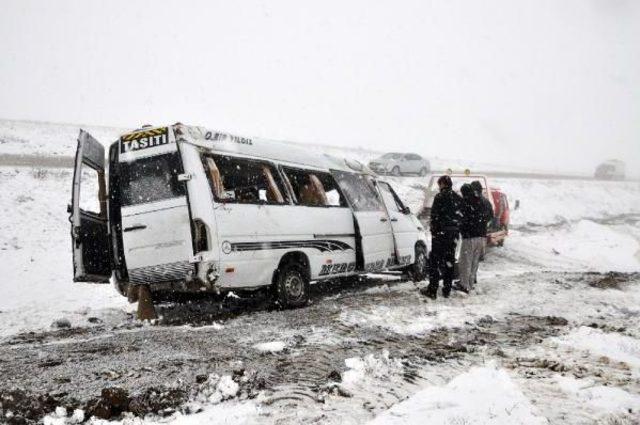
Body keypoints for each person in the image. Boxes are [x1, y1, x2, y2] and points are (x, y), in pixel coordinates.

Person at [421, 175, 462, 299]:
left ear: (443, 184)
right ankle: (446, 289)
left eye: (439, 184)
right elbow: (461, 216)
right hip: (453, 234)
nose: (439, 187)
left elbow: (434, 216)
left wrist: (434, 231)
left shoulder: (439, 197)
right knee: (449, 260)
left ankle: (432, 290)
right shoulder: (457, 198)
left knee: (435, 261)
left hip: (441, 234)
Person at [456, 184, 490, 293]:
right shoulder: (484, 201)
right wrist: (482, 225)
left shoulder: (466, 202)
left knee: (466, 261)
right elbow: (490, 215)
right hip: (481, 236)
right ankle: (470, 283)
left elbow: (460, 217)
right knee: (475, 262)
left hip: (469, 236)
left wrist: (462, 226)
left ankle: (464, 285)